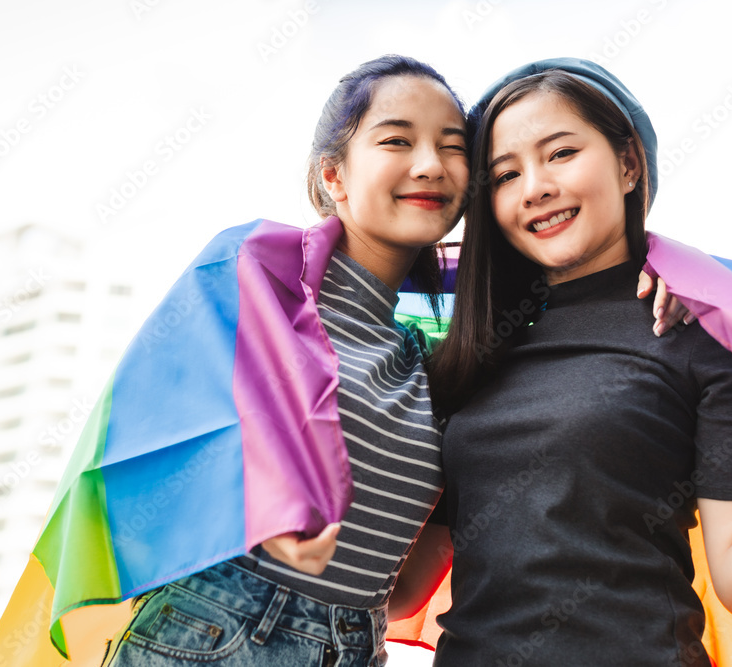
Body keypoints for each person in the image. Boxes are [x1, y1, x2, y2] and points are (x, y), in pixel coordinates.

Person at [88, 55, 685, 667]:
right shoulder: (257, 282)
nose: (428, 164)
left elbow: (403, 590)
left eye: (452, 148)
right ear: (334, 176)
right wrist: (267, 507)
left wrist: (660, 269)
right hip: (222, 632)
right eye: (397, 140)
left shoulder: (433, 358)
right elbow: (155, 430)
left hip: (354, 644)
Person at [410, 59, 732, 666]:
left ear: (627, 164)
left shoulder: (702, 334)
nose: (534, 186)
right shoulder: (469, 354)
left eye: (561, 153)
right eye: (505, 174)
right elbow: (404, 588)